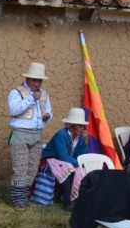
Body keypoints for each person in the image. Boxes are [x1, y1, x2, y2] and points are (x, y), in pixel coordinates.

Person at [8, 62, 53, 210]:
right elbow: (14, 110)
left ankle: (24, 198)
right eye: (35, 80)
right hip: (21, 134)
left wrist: (47, 117)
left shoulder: (44, 94)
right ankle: (18, 202)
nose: (37, 83)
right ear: (28, 79)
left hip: (37, 134)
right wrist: (31, 99)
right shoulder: (17, 92)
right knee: (20, 168)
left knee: (32, 169)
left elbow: (49, 111)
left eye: (40, 80)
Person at [40, 107, 90, 209]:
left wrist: (85, 143)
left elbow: (80, 157)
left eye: (83, 126)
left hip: (66, 161)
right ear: (71, 127)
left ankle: (74, 198)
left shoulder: (80, 138)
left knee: (82, 170)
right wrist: (80, 163)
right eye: (80, 126)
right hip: (50, 159)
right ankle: (66, 203)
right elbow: (63, 157)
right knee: (68, 167)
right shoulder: (61, 135)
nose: (82, 129)